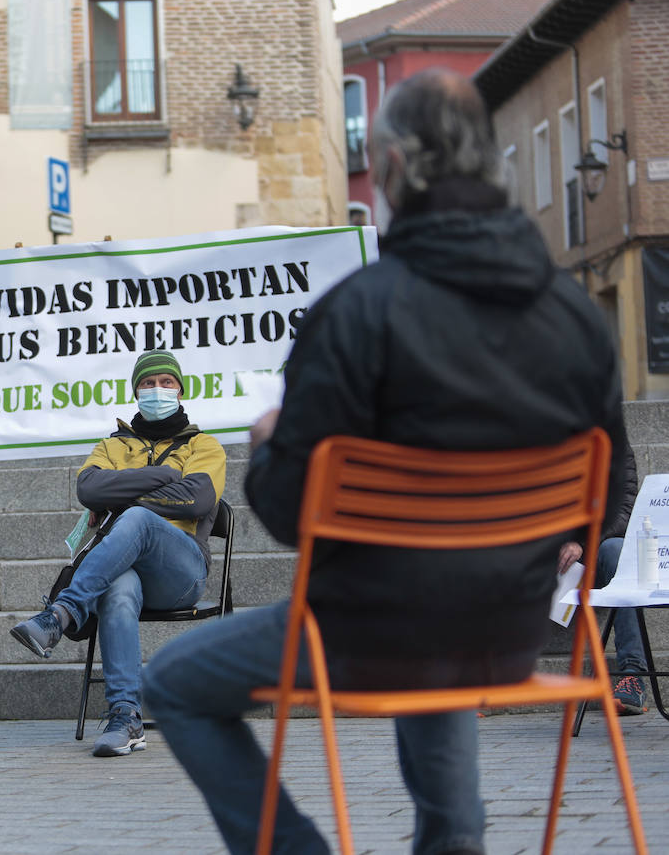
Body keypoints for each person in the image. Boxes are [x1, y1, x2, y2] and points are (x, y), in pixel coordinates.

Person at [143, 68, 627, 855]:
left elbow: (294, 517)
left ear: (393, 169)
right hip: (511, 626)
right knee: (440, 601)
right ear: (493, 166)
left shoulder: (358, 312)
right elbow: (611, 485)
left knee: (174, 683)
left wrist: (268, 448)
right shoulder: (576, 315)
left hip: (365, 636)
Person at [9, 349, 226, 757]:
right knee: (118, 586)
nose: (156, 390)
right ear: (135, 391)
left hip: (181, 573)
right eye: (147, 383)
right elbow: (89, 490)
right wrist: (163, 477)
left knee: (137, 520)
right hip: (127, 569)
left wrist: (126, 495)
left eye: (166, 383)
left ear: (180, 390)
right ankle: (125, 715)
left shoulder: (205, 445)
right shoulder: (111, 446)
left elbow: (197, 500)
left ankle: (61, 613)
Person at [559, 431, 646, 714]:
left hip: (596, 551)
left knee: (617, 551)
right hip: (545, 551)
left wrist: (582, 543)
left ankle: (632, 675)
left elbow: (625, 509)